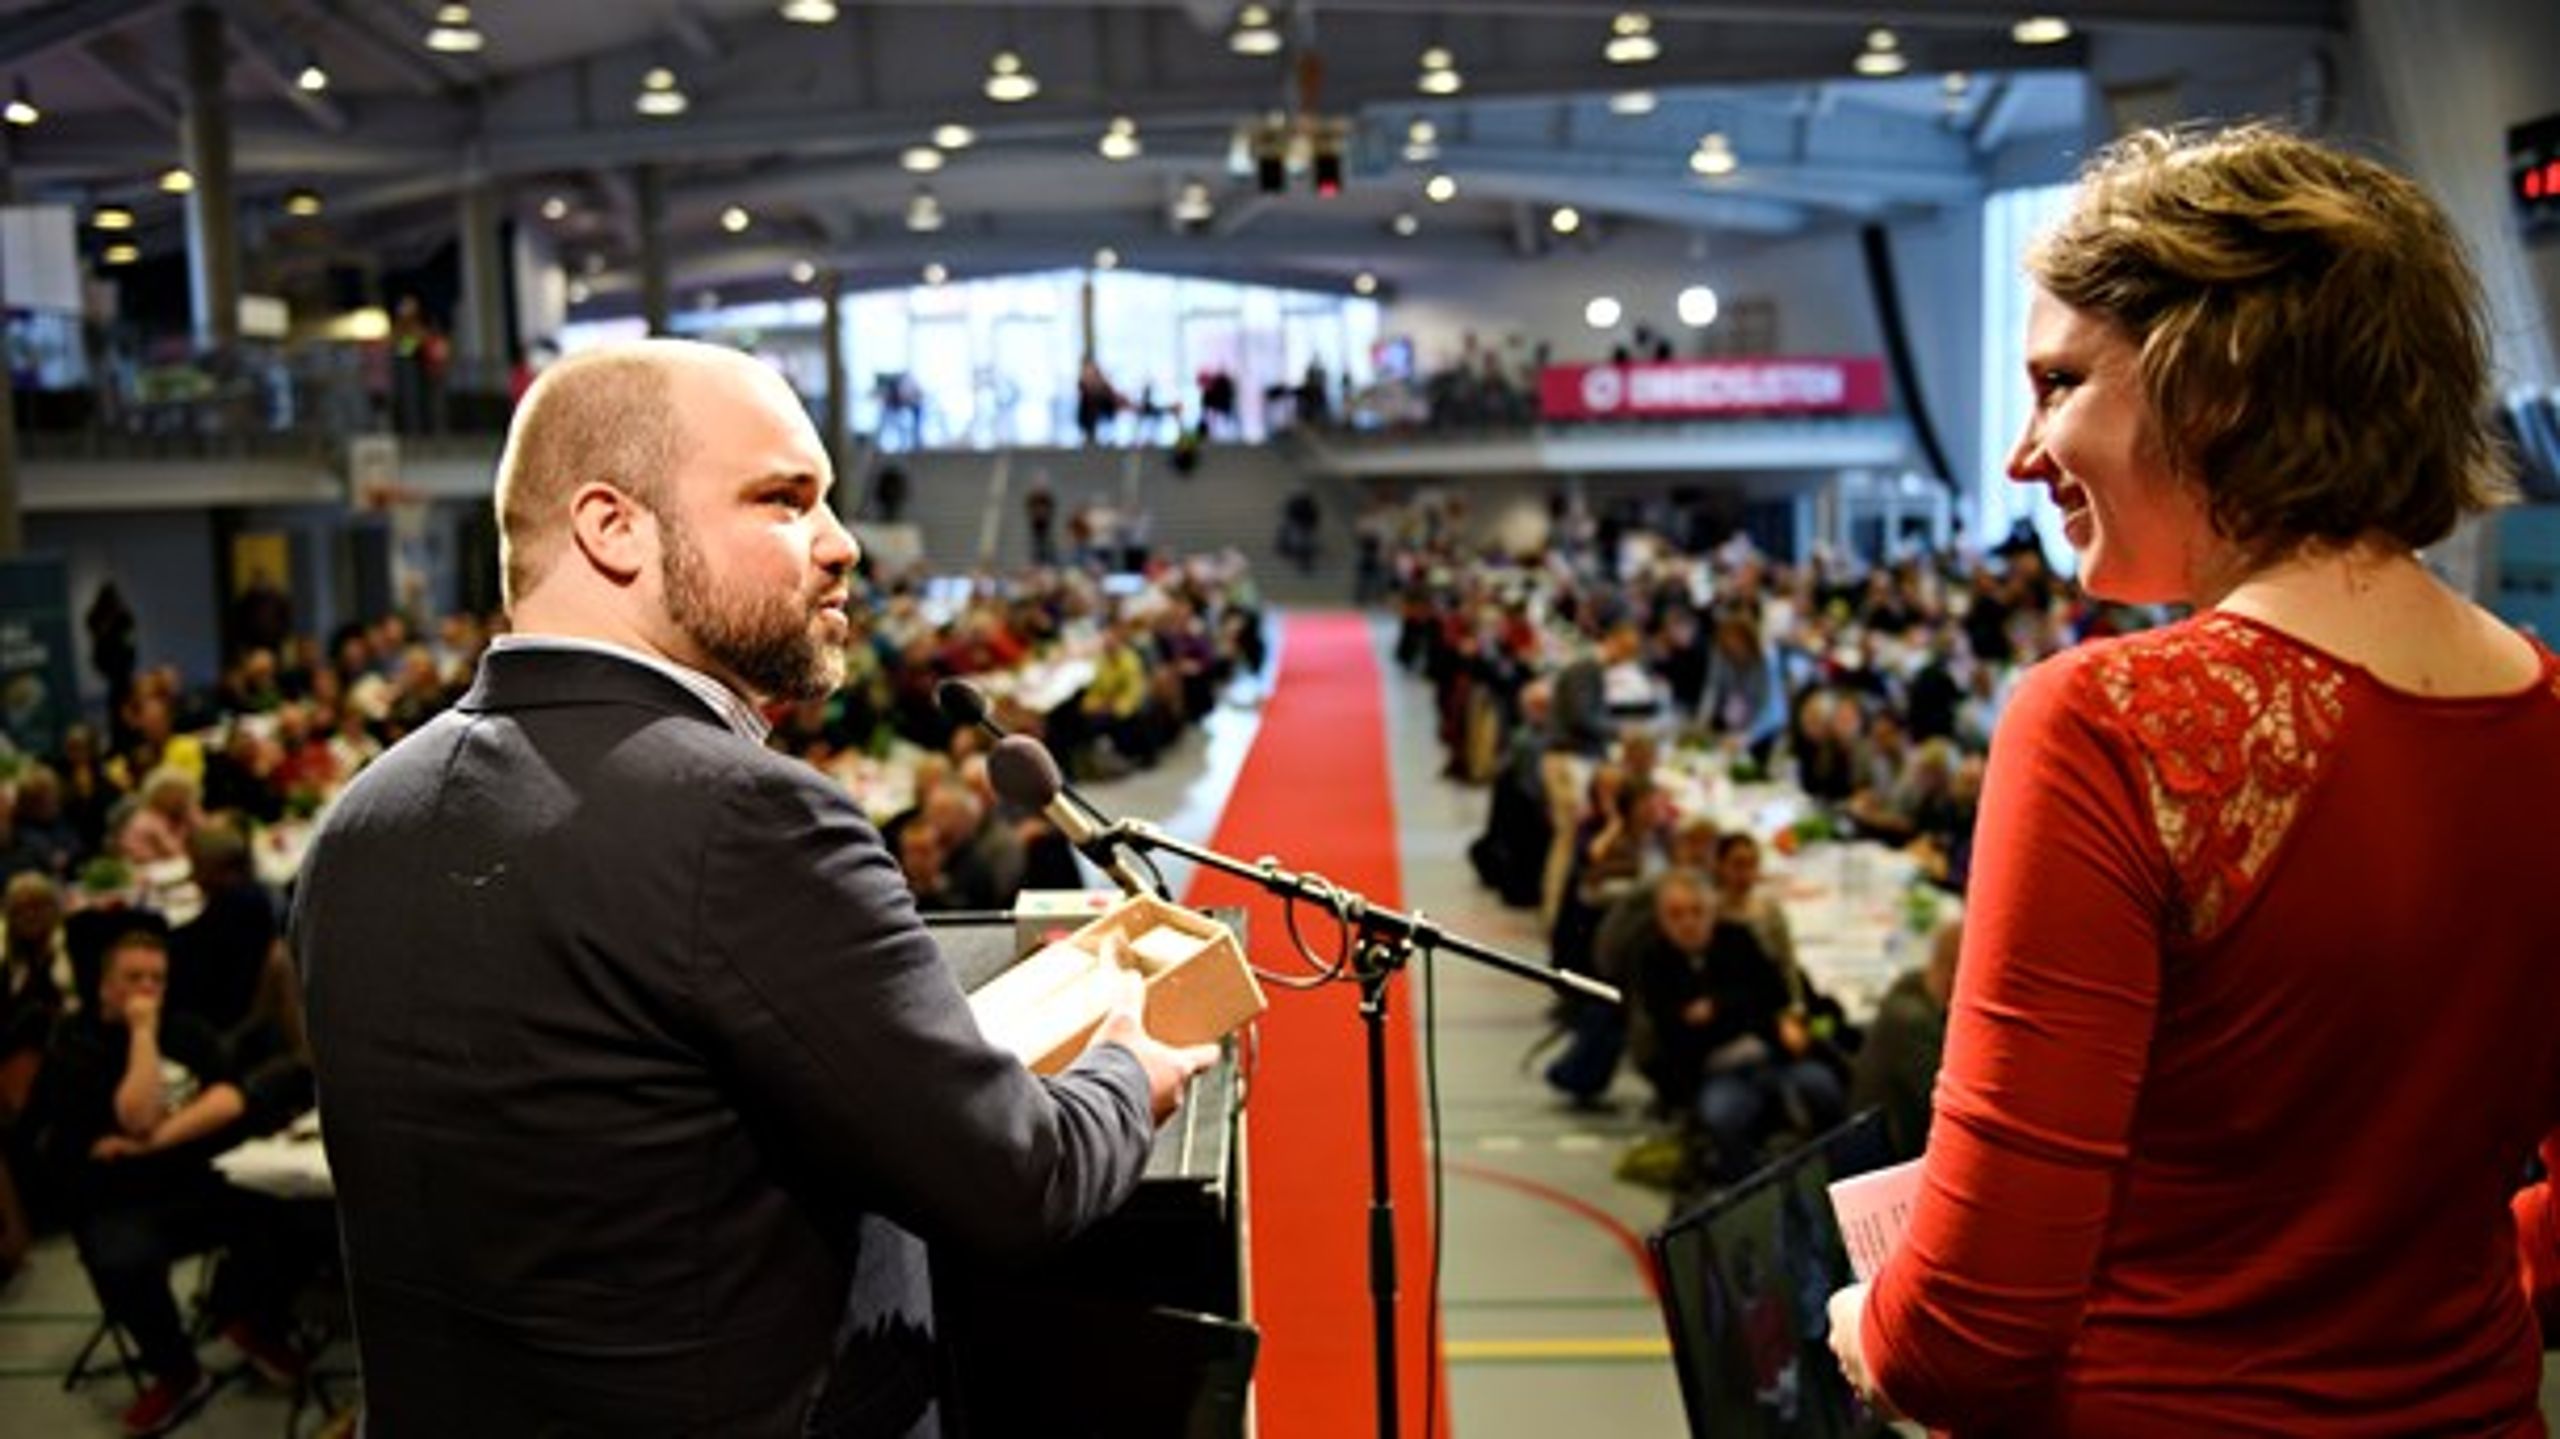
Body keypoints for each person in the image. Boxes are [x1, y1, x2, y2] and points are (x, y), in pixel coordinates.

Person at [291, 339, 1216, 1436]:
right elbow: (1015, 1183)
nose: (842, 545)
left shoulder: (361, 820)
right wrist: (1130, 1061)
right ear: (612, 525)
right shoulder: (750, 818)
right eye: (785, 499)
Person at [1826, 126, 2560, 1433]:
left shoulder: (2114, 722)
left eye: (2059, 384)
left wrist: (1867, 1322)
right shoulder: (2543, 712)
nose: (2021, 452)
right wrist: (2430, 1303)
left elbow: (1970, 1333)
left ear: (2213, 386)